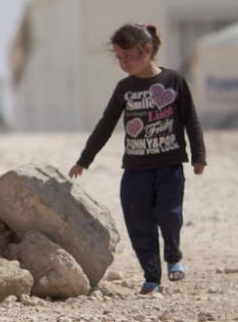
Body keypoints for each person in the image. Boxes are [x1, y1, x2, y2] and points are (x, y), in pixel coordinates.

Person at [68, 23, 206, 295]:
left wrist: (199, 155)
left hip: (169, 167)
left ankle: (174, 256)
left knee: (168, 215)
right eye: (118, 57)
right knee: (139, 222)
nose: (123, 63)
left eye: (128, 56)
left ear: (147, 49)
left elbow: (191, 119)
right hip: (135, 170)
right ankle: (152, 277)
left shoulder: (174, 81)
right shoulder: (124, 88)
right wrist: (85, 159)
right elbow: (105, 125)